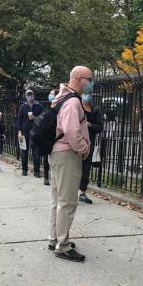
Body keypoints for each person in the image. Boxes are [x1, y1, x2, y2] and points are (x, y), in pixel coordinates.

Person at [48, 66, 91, 262]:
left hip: (57, 153)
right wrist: (83, 148)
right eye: (89, 79)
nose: (90, 82)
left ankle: (55, 238)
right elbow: (72, 132)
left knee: (58, 199)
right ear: (79, 79)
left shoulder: (61, 97)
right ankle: (63, 246)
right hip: (67, 154)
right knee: (68, 201)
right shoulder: (73, 101)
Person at [79, 93, 103, 204]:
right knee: (75, 168)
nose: (87, 96)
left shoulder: (94, 110)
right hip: (78, 142)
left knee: (86, 169)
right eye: (85, 94)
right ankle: (71, 193)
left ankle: (82, 193)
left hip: (90, 143)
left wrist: (90, 125)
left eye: (89, 95)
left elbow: (99, 127)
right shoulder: (77, 107)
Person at [17, 89, 43, 177]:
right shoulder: (22, 107)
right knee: (24, 151)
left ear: (34, 95)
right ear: (26, 96)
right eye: (28, 95)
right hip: (25, 132)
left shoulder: (39, 106)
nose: (30, 97)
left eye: (31, 95)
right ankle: (24, 169)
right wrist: (19, 131)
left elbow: (43, 119)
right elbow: (19, 120)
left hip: (35, 132)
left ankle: (37, 171)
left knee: (36, 152)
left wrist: (34, 118)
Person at [43, 89, 59, 186]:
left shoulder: (59, 108)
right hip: (47, 136)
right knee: (46, 157)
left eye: (52, 94)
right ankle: (45, 177)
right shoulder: (47, 107)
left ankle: (55, 177)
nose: (50, 95)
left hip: (56, 136)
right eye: (50, 94)